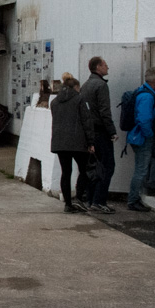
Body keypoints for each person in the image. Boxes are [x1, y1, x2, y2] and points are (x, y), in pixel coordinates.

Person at [126, 66, 155, 212]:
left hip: (141, 135)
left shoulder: (144, 92)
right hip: (142, 137)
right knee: (141, 170)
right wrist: (149, 135)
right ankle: (133, 200)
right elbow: (143, 119)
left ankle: (152, 184)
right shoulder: (147, 96)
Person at [80, 55, 116, 213]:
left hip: (88, 132)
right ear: (98, 67)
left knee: (93, 167)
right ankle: (99, 201)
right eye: (105, 64)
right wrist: (112, 131)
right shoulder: (101, 85)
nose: (107, 67)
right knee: (107, 166)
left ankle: (90, 199)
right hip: (100, 131)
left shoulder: (85, 85)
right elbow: (104, 111)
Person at [50, 73, 90, 213]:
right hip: (78, 141)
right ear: (76, 87)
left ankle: (68, 204)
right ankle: (79, 197)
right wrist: (91, 141)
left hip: (60, 142)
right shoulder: (79, 99)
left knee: (66, 172)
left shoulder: (54, 102)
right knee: (84, 170)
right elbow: (86, 121)